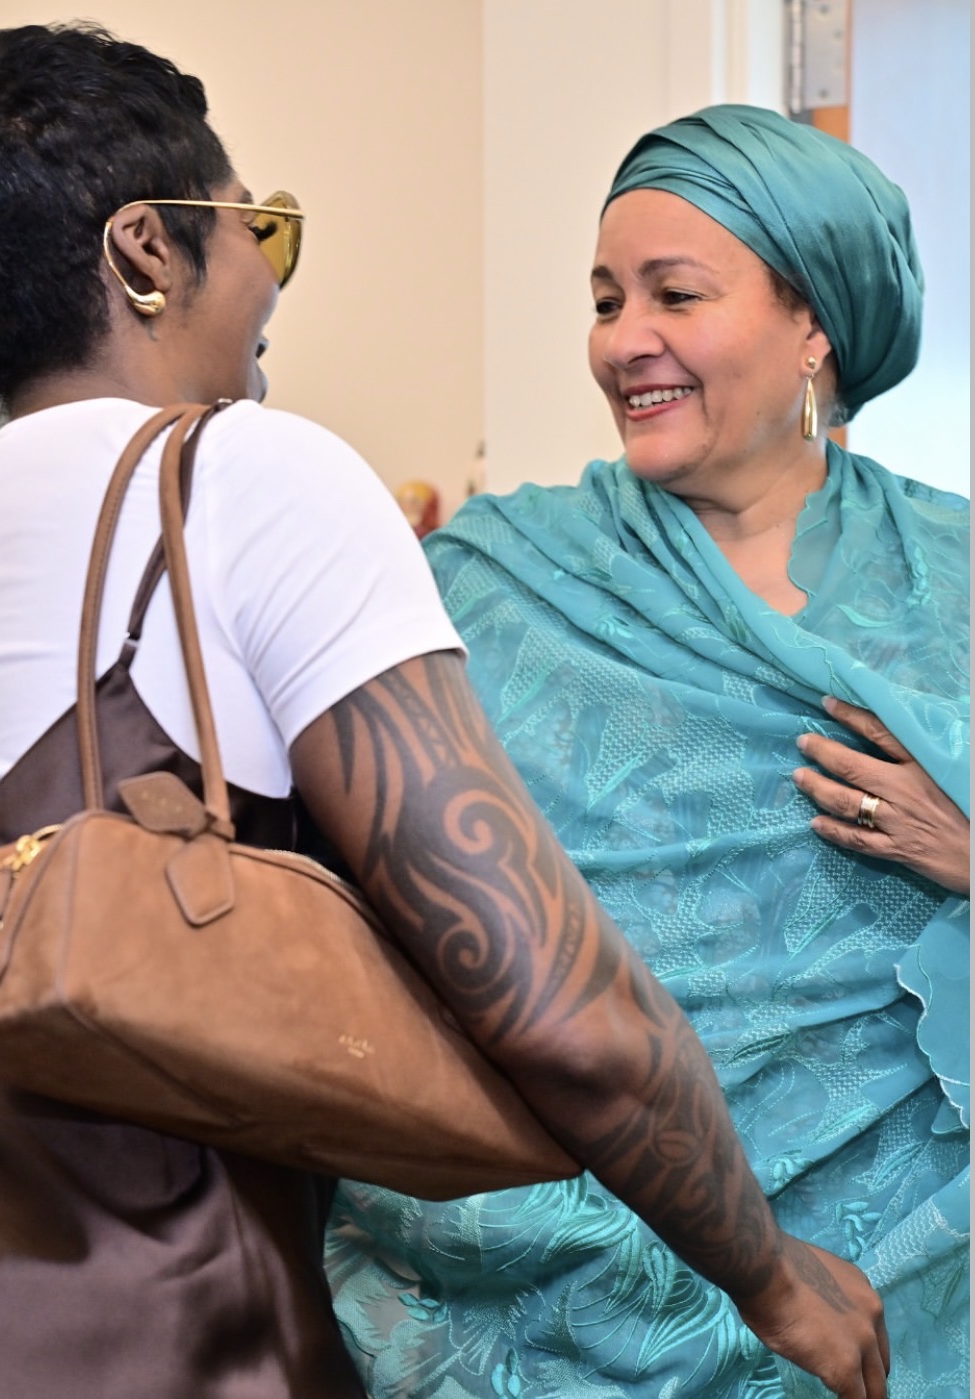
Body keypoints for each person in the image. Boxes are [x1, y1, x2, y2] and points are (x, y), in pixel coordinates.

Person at [0, 33, 887, 1394]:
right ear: (149, 255)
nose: (270, 277)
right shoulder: (248, 475)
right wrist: (767, 1272)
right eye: (255, 228)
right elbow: (558, 1004)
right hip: (146, 1342)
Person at [325, 106, 969, 1399]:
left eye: (674, 293)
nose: (625, 341)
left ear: (813, 327)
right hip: (527, 1281)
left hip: (887, 1285)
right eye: (606, 299)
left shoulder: (949, 583)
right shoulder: (491, 579)